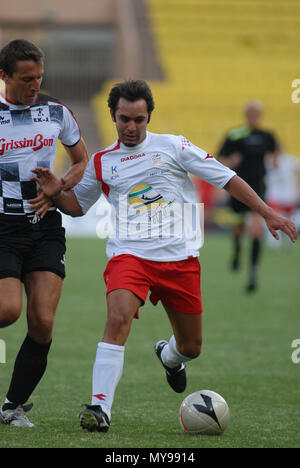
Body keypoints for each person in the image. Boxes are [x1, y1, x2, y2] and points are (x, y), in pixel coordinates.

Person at [31, 80, 297, 433]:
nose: (131, 126)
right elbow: (77, 206)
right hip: (130, 256)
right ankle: (100, 408)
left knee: (191, 346)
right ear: (113, 115)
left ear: (148, 117)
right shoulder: (101, 162)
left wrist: (266, 212)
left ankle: (169, 357)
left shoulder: (174, 147)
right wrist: (55, 193)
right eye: (124, 118)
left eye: (139, 119)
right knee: (117, 318)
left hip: (180, 259)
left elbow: (227, 178)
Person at [0, 39, 89, 427]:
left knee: (42, 321)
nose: (35, 84)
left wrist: (59, 186)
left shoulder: (56, 111)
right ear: (4, 76)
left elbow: (81, 158)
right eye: (26, 79)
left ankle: (12, 407)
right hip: (3, 227)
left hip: (45, 225)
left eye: (39, 77)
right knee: (7, 311)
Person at [217, 100, 280, 292]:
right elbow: (219, 159)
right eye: (250, 112)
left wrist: (275, 161)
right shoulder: (235, 134)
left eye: (256, 113)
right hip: (237, 188)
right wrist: (231, 161)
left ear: (260, 115)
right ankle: (236, 250)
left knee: (255, 229)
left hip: (258, 188)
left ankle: (253, 272)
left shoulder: (267, 135)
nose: (253, 116)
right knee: (237, 228)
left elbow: (276, 150)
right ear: (246, 114)